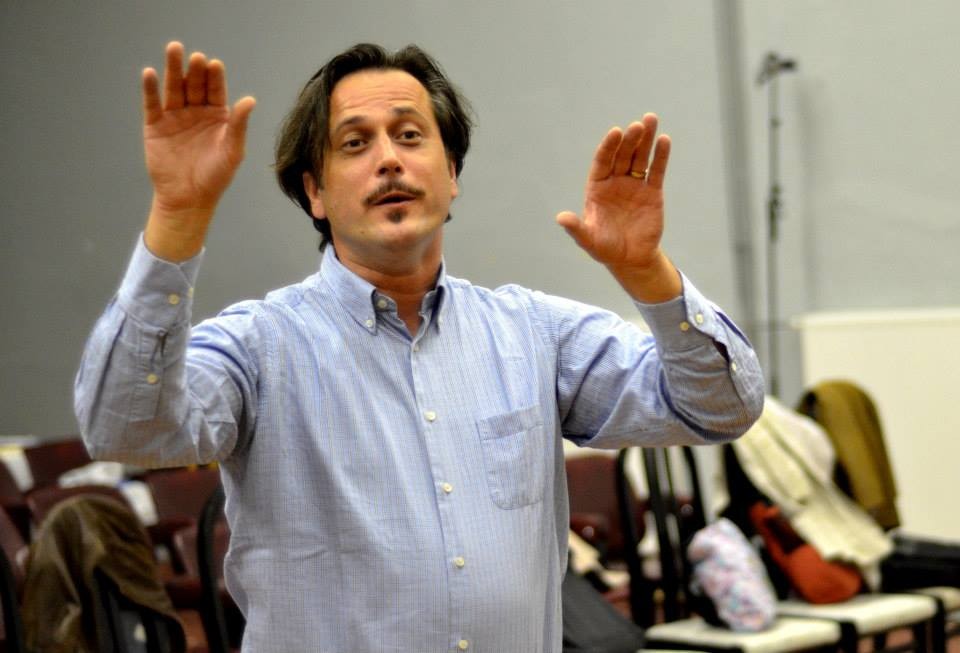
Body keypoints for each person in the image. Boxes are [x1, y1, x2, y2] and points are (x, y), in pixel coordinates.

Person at [75, 41, 763, 652]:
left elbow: (722, 406)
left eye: (410, 135)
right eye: (354, 143)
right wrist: (179, 216)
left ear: (451, 172)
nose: (389, 160)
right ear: (315, 192)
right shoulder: (260, 346)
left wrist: (645, 272)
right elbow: (124, 428)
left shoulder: (534, 333)